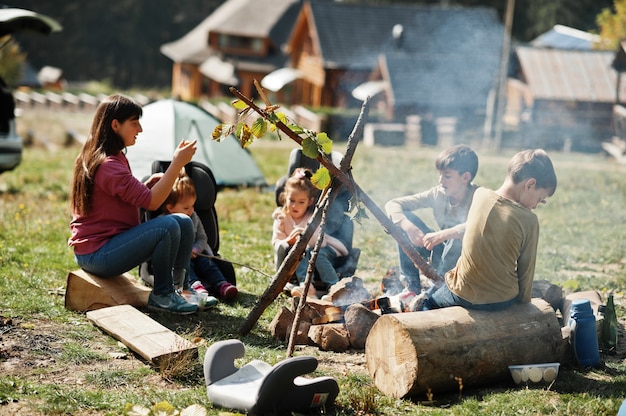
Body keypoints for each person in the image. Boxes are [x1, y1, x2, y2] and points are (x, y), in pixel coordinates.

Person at [68, 94, 199, 315]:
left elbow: (121, 195)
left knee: (184, 221)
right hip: (98, 255)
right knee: (167, 226)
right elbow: (153, 202)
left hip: (108, 247)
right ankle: (163, 295)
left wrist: (145, 185)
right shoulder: (108, 165)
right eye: (134, 122)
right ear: (115, 125)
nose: (139, 129)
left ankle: (180, 290)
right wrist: (176, 163)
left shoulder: (113, 157)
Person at [422, 148, 557, 311]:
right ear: (530, 184)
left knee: (428, 304)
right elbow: (526, 270)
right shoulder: (529, 220)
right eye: (539, 199)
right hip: (501, 299)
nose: (535, 206)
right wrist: (523, 304)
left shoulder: (479, 195)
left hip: (461, 293)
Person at [384, 144, 479, 294]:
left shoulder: (480, 197)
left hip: (468, 263)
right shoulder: (437, 194)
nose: (441, 181)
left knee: (456, 236)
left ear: (465, 177)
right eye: (440, 175)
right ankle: (411, 286)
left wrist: (444, 234)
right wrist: (409, 227)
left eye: (447, 176)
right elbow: (393, 204)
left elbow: (478, 225)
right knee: (404, 219)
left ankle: (441, 287)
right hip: (442, 255)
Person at [160, 171, 238, 301]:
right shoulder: (164, 222)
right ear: (170, 208)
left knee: (208, 265)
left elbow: (202, 238)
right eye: (186, 208)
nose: (191, 210)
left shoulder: (194, 217)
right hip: (178, 260)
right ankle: (195, 286)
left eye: (192, 206)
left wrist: (196, 249)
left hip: (197, 255)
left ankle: (222, 284)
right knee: (186, 268)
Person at [272, 168, 348, 295]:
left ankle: (333, 286)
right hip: (290, 257)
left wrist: (305, 235)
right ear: (285, 198)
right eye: (292, 201)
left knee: (310, 251)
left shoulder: (312, 218)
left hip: (316, 250)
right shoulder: (281, 218)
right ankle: (307, 286)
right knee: (300, 251)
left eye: (301, 202)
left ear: (310, 201)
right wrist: (287, 241)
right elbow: (276, 243)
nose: (295, 206)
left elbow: (320, 242)